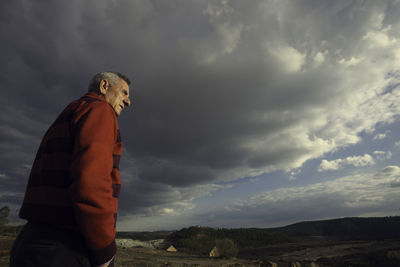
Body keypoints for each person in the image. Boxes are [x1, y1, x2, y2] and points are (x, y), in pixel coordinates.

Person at [10, 71, 131, 267]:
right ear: (104, 86)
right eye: (124, 92)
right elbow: (91, 183)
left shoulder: (72, 110)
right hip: (64, 247)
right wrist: (104, 252)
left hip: (32, 242)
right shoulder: (100, 110)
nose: (128, 102)